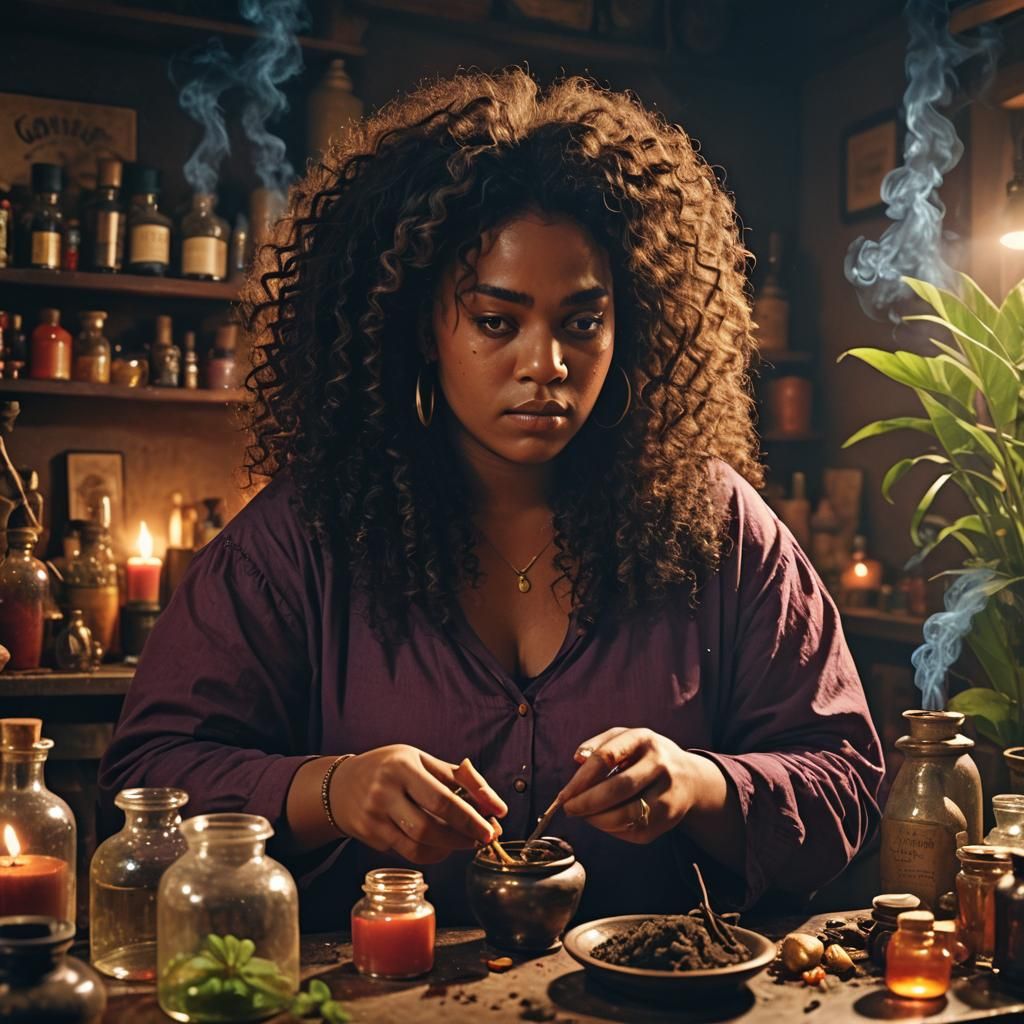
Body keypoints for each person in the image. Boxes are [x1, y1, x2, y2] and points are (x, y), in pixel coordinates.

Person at [99, 68, 884, 928]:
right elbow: (145, 780)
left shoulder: (718, 524)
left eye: (582, 323)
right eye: (497, 321)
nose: (544, 364)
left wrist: (703, 784)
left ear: (632, 325)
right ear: (421, 324)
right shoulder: (310, 530)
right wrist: (329, 788)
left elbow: (844, 784)